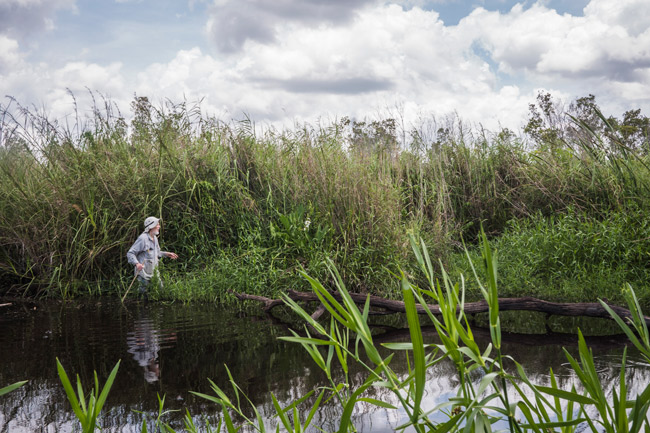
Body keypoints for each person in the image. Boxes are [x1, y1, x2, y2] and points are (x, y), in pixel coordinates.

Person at [126, 216, 178, 297]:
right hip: (143, 273)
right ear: (151, 226)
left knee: (161, 292)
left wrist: (167, 254)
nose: (159, 226)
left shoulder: (155, 238)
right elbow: (130, 253)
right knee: (143, 295)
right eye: (157, 224)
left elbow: (156, 253)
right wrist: (137, 264)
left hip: (154, 272)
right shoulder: (143, 238)